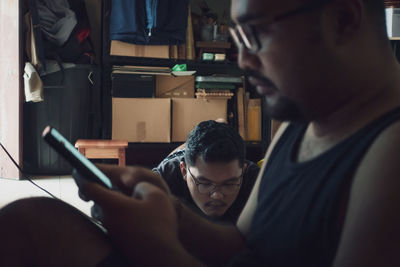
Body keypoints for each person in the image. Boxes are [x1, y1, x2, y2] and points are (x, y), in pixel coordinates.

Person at [1, 0, 400, 266]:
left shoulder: (389, 155)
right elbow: (241, 246)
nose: (242, 58)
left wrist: (157, 246)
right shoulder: (302, 120)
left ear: (343, 19)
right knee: (32, 225)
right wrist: (167, 209)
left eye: (254, 34)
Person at [152, 120, 259, 224]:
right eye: (205, 183)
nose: (217, 195)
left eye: (229, 184)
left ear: (243, 172)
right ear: (184, 171)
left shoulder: (257, 181)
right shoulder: (163, 179)